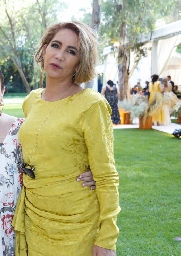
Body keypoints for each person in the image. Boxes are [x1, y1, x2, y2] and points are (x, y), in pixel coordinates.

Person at [0, 59, 97, 255]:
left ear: (2, 91)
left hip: (11, 238)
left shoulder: (21, 131)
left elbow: (53, 165)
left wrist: (91, 173)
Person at [13, 21, 120, 256]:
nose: (59, 56)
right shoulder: (32, 101)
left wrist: (107, 238)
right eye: (55, 45)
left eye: (71, 51)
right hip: (35, 218)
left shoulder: (91, 104)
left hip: (77, 223)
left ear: (80, 62)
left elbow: (106, 176)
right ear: (44, 49)